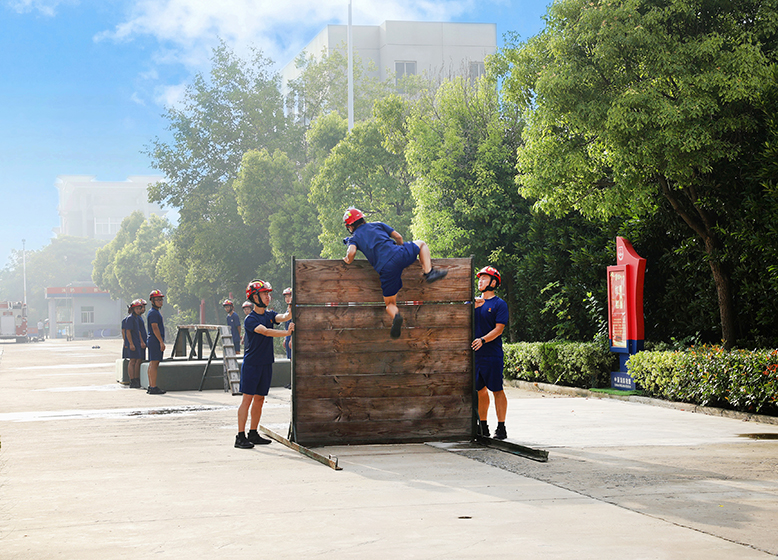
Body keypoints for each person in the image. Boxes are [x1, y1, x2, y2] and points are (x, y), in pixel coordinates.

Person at [342, 207, 447, 338]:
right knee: (421, 244)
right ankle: (429, 272)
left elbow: (351, 253)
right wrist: (401, 248)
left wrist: (347, 260)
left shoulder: (354, 238)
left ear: (350, 226)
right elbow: (398, 237)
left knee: (390, 303)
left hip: (385, 269)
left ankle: (396, 316)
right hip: (399, 254)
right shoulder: (378, 224)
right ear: (362, 219)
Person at [235, 280, 294, 449]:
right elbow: (266, 331)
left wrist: (290, 305)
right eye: (264, 294)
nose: (268, 297)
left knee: (260, 399)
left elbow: (284, 317)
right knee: (247, 400)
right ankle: (240, 436)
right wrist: (287, 332)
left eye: (268, 294)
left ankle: (253, 433)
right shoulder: (250, 319)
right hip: (252, 365)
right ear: (254, 297)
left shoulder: (269, 314)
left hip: (266, 363)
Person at [471, 266, 509, 440]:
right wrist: (472, 304)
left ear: (493, 283)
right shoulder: (473, 303)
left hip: (492, 355)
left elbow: (499, 329)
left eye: (484, 278)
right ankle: (483, 426)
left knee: (497, 390)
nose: (480, 281)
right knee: (479, 390)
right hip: (475, 356)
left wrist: (483, 340)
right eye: (479, 278)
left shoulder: (500, 304)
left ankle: (501, 427)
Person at [146, 290, 167, 395]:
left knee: (153, 364)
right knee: (154, 364)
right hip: (155, 341)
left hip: (153, 340)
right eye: (158, 300)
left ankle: (151, 386)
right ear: (152, 301)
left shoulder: (154, 312)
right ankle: (153, 387)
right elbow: (155, 328)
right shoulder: (153, 313)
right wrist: (161, 342)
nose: (160, 302)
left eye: (161, 299)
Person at [127, 299, 148, 388]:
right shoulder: (130, 318)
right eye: (137, 309)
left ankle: (136, 379)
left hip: (137, 342)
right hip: (134, 342)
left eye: (140, 308)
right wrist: (131, 343)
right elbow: (128, 332)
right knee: (132, 361)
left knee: (137, 361)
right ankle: (132, 380)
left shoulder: (136, 318)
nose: (139, 310)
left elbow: (138, 331)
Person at [281, 288, 293, 360]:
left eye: (289, 296)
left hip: (292, 338)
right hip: (288, 337)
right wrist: (285, 338)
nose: (287, 298)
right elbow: (286, 326)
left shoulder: (294, 309)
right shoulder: (287, 310)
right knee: (289, 359)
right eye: (286, 297)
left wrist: (292, 339)